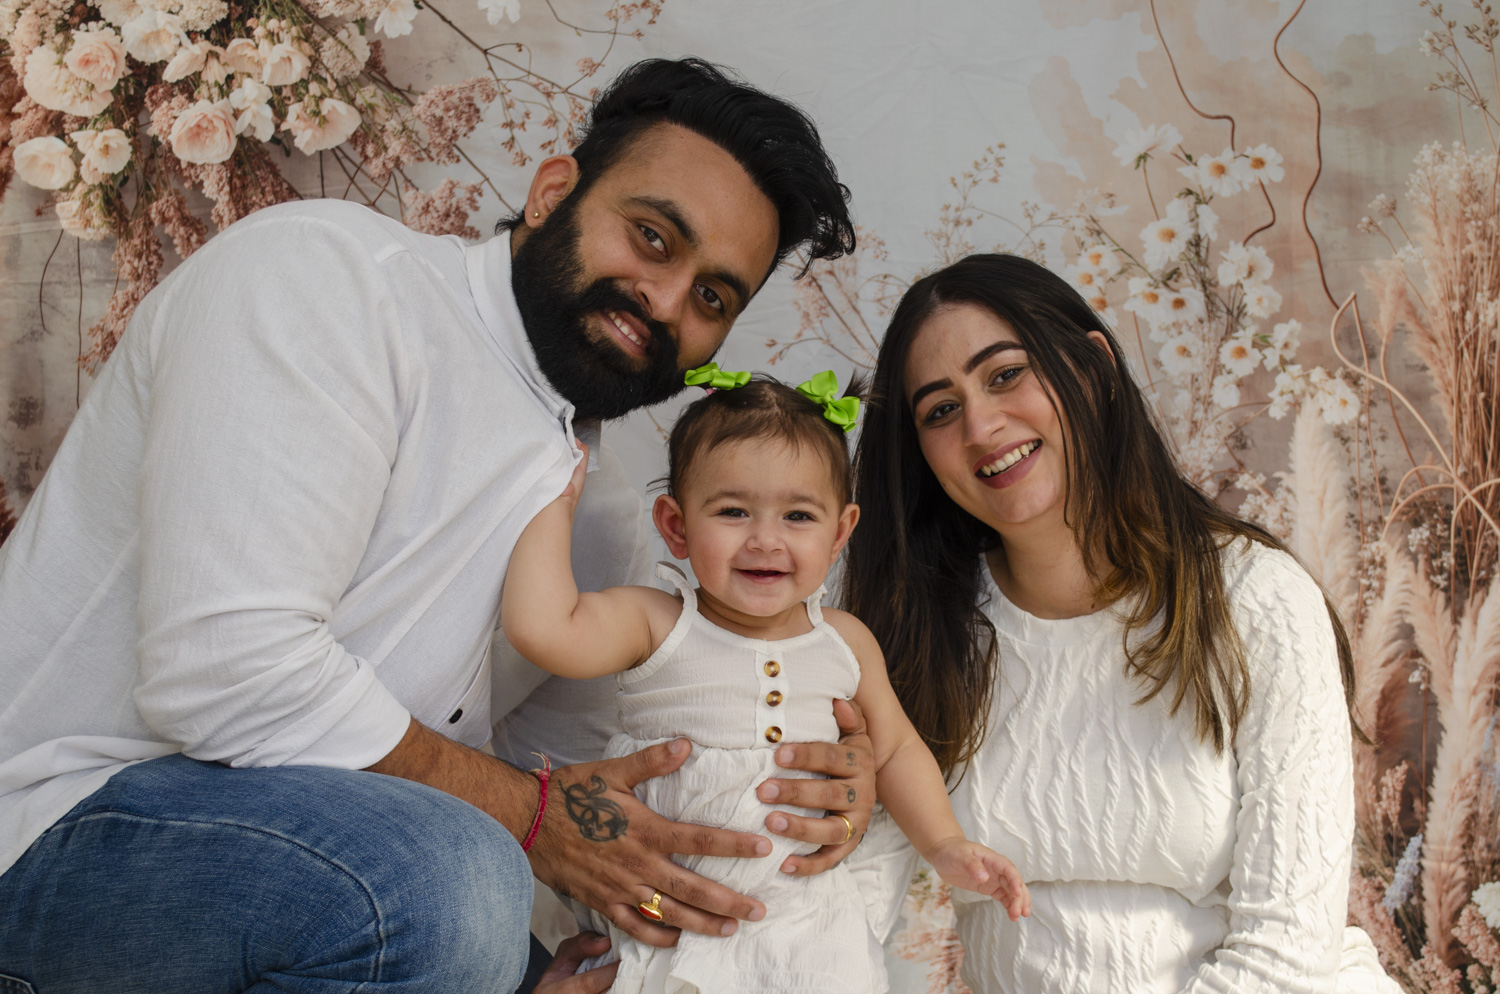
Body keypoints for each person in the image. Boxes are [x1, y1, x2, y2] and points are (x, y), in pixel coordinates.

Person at [0, 58, 872, 994]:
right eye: (652, 237)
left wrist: (811, 774)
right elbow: (223, 674)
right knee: (456, 885)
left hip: (342, 874)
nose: (665, 302)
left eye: (712, 298)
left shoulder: (602, 513)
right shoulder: (328, 279)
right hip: (57, 823)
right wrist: (526, 821)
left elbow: (585, 785)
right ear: (552, 192)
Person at [843, 254, 1401, 993]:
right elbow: (845, 907)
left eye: (1006, 374)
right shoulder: (917, 633)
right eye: (940, 410)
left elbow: (1286, 952)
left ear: (1096, 369)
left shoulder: (1259, 600)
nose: (980, 425)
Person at [500, 372, 1030, 992]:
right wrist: (552, 502)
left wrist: (944, 844)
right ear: (675, 526)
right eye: (733, 511)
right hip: (670, 911)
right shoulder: (656, 622)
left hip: (805, 925)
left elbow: (895, 750)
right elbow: (542, 629)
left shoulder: (844, 640)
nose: (765, 539)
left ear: (839, 533)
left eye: (798, 515)